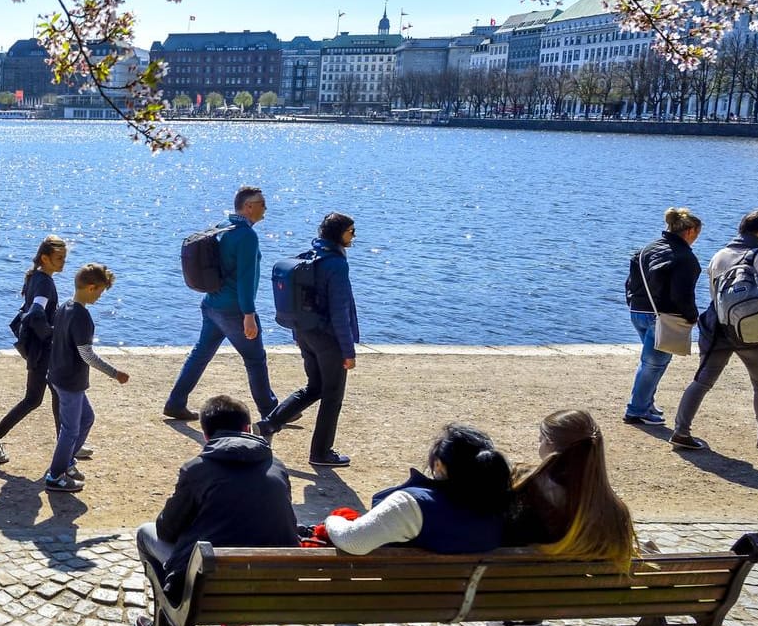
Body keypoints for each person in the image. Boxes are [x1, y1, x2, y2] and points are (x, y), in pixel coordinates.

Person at [133, 395, 298, 626]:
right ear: (247, 429)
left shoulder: (197, 470)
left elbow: (166, 531)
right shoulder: (276, 467)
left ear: (206, 435)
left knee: (145, 533)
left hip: (207, 583)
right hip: (273, 587)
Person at [671, 209, 758, 451]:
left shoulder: (720, 254)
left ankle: (680, 431)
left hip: (716, 326)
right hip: (750, 329)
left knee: (702, 380)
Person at [165, 186, 278, 423]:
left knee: (200, 354)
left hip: (211, 304)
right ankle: (271, 412)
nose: (265, 209)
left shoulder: (222, 226)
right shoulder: (246, 236)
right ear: (249, 206)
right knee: (255, 359)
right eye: (262, 204)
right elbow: (246, 277)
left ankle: (176, 402)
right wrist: (249, 314)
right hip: (234, 309)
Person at [256, 212, 360, 467]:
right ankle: (321, 453)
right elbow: (339, 311)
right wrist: (348, 351)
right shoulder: (336, 264)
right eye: (350, 230)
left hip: (306, 333)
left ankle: (270, 423)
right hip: (328, 339)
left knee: (315, 387)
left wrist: (297, 334)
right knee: (332, 395)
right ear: (339, 234)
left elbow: (300, 303)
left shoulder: (309, 257)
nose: (354, 235)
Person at [321, 424, 512, 555]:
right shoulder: (500, 508)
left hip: (408, 601)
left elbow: (353, 541)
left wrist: (333, 520)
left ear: (439, 466)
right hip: (472, 601)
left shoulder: (411, 506)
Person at [504, 409, 636, 568]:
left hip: (529, 585)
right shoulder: (616, 511)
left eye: (541, 439)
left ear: (549, 442)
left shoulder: (525, 488)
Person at [0, 235, 68, 465]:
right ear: (45, 258)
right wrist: (53, 334)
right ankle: (66, 447)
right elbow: (37, 313)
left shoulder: (36, 278)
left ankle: (67, 445)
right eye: (59, 258)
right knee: (52, 396)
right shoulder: (45, 283)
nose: (63, 262)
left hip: (37, 350)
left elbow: (32, 310)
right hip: (44, 351)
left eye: (65, 257)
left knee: (39, 398)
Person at [43, 262, 129, 492]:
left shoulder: (64, 307)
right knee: (70, 429)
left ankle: (67, 462)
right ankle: (55, 475)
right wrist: (115, 373)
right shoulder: (81, 316)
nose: (100, 297)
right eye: (100, 292)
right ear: (91, 287)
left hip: (59, 375)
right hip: (70, 381)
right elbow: (87, 355)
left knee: (87, 418)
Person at [624, 207, 702, 426]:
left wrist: (632, 301)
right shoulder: (685, 257)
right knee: (653, 364)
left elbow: (630, 280)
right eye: (698, 233)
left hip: (638, 311)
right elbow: (682, 294)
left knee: (652, 362)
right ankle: (636, 410)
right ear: (690, 231)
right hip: (662, 316)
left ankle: (645, 402)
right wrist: (691, 315)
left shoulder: (648, 248)